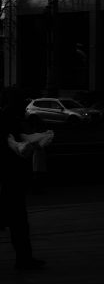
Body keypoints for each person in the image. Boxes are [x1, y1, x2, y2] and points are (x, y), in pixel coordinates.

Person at [0, 87, 52, 269]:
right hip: (11, 178)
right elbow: (16, 145)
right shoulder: (9, 121)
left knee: (16, 221)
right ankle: (24, 258)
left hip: (9, 178)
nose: (26, 107)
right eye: (23, 103)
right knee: (19, 221)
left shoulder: (8, 119)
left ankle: (24, 258)